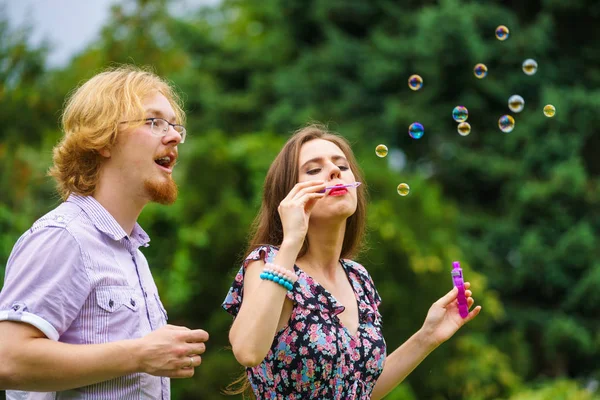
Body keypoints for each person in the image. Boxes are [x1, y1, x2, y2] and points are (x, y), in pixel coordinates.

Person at [222, 124, 482, 399]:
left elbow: (360, 388)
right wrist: (291, 241)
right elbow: (247, 352)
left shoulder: (358, 277)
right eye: (313, 169)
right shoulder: (270, 264)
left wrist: (427, 337)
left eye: (342, 166)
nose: (335, 172)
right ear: (289, 196)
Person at [0, 65, 209, 399]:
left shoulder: (132, 253)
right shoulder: (64, 237)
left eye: (174, 126)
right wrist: (139, 354)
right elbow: (7, 360)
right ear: (102, 139)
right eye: (154, 122)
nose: (174, 137)